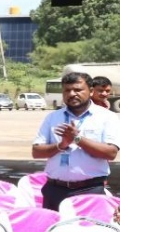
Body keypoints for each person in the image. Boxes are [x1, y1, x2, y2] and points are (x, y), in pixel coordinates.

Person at [32, 72, 120, 211]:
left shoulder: (107, 118)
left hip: (90, 192)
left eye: (78, 90)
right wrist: (61, 145)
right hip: (55, 191)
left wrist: (77, 139)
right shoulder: (52, 118)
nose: (72, 94)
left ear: (91, 91)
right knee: (53, 231)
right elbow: (36, 152)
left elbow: (110, 153)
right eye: (67, 90)